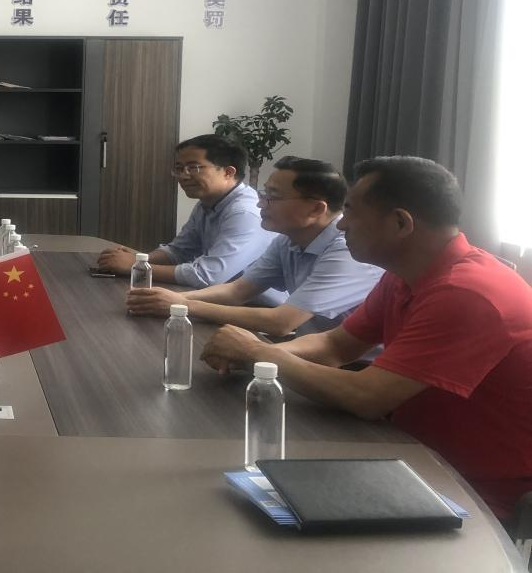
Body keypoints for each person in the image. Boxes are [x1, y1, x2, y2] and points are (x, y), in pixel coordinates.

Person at [200, 156, 532, 522]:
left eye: (351, 212)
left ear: (401, 223)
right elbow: (335, 346)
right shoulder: (405, 273)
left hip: (472, 489)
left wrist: (257, 353)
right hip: (408, 454)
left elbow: (368, 397)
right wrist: (257, 356)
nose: (341, 224)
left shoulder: (467, 292)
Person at [126, 156, 383, 337]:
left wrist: (182, 305)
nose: (260, 204)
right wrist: (170, 299)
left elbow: (282, 322)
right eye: (264, 194)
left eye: (273, 197)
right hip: (309, 348)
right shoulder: (287, 239)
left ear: (316, 209)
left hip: (354, 367)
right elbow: (237, 291)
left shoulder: (348, 250)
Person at [98, 134, 278, 294]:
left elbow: (208, 276)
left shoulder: (245, 213)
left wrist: (136, 267)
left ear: (228, 172)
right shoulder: (207, 202)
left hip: (259, 309)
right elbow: (179, 251)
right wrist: (140, 259)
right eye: (179, 168)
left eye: (194, 168)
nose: (183, 176)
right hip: (220, 298)